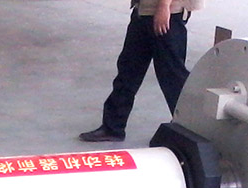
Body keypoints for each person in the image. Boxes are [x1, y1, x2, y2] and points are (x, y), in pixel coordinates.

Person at [79, 0, 195, 142]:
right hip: (144, 11)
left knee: (172, 76)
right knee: (129, 69)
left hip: (167, 13)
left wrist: (163, 6)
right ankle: (113, 127)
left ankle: (191, 128)